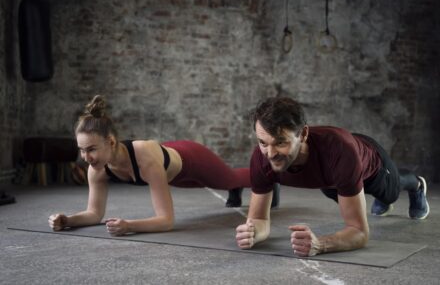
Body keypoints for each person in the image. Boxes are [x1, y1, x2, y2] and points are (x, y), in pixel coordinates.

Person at [235, 97, 430, 257]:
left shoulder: (339, 154)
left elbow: (360, 232)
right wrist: (254, 233)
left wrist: (320, 244)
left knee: (390, 194)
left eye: (280, 143)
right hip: (331, 177)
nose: (270, 153)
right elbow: (259, 218)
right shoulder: (261, 159)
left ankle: (417, 185)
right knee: (335, 191)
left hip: (371, 164)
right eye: (263, 142)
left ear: (303, 134)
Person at [48, 95, 267, 236]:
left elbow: (166, 221)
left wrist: (129, 226)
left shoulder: (145, 158)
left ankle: (267, 177)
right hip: (173, 174)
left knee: (228, 179)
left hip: (191, 158)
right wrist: (67, 220)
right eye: (82, 150)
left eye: (92, 149)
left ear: (111, 142)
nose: (85, 157)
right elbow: (94, 214)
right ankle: (236, 188)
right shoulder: (96, 170)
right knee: (201, 184)